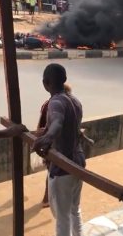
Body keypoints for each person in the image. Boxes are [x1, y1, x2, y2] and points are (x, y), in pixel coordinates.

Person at [34, 64, 85, 236]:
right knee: (74, 210)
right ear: (64, 80)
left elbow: (57, 123)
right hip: (78, 163)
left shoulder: (54, 102)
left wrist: (47, 137)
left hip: (63, 168)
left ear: (45, 83)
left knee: (62, 217)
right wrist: (48, 133)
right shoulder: (75, 101)